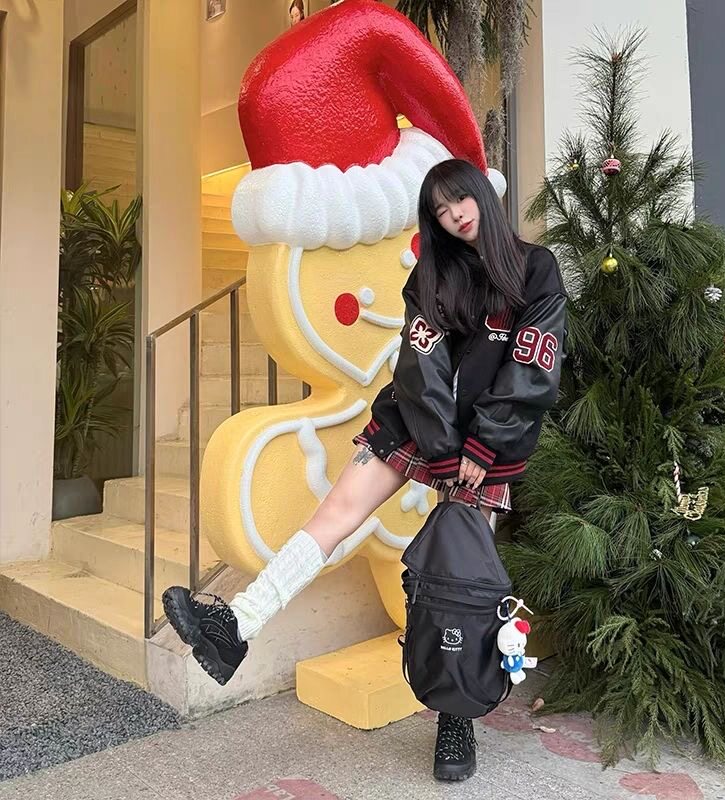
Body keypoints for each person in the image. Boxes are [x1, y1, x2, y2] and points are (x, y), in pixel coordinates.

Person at [162, 158, 567, 782]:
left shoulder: (536, 270)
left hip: (486, 449)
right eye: (439, 210)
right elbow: (421, 364)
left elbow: (531, 370)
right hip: (419, 424)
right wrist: (441, 448)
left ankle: (455, 720)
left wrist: (482, 448)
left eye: (460, 200)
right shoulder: (431, 275)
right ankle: (236, 625)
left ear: (481, 196)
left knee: (460, 580)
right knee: (335, 514)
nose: (454, 215)